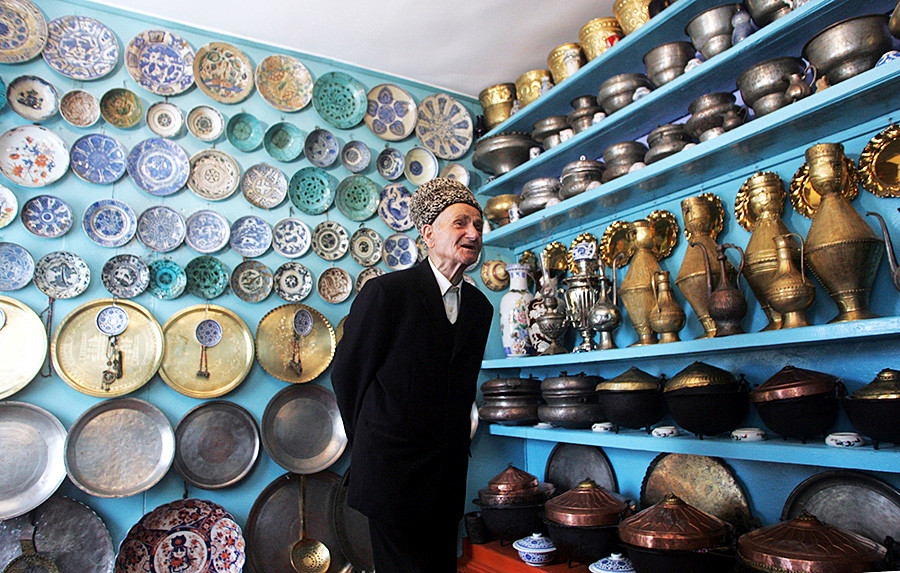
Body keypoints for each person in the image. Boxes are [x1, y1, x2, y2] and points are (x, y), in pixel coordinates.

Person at [331, 178, 493, 573]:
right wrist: (376, 440)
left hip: (447, 476)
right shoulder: (388, 293)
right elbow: (348, 374)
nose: (473, 232)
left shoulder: (480, 308)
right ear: (428, 232)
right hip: (392, 473)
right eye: (460, 223)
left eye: (478, 224)